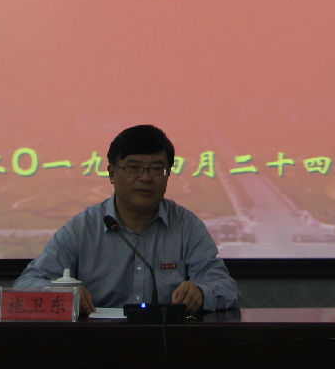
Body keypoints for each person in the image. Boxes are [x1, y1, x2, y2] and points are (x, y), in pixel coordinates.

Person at [14, 124, 239, 314]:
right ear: (112, 173)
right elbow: (25, 284)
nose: (145, 178)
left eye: (156, 169)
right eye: (134, 168)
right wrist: (60, 294)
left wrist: (200, 293)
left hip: (166, 343)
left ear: (168, 175)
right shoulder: (83, 228)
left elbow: (226, 288)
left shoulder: (186, 226)